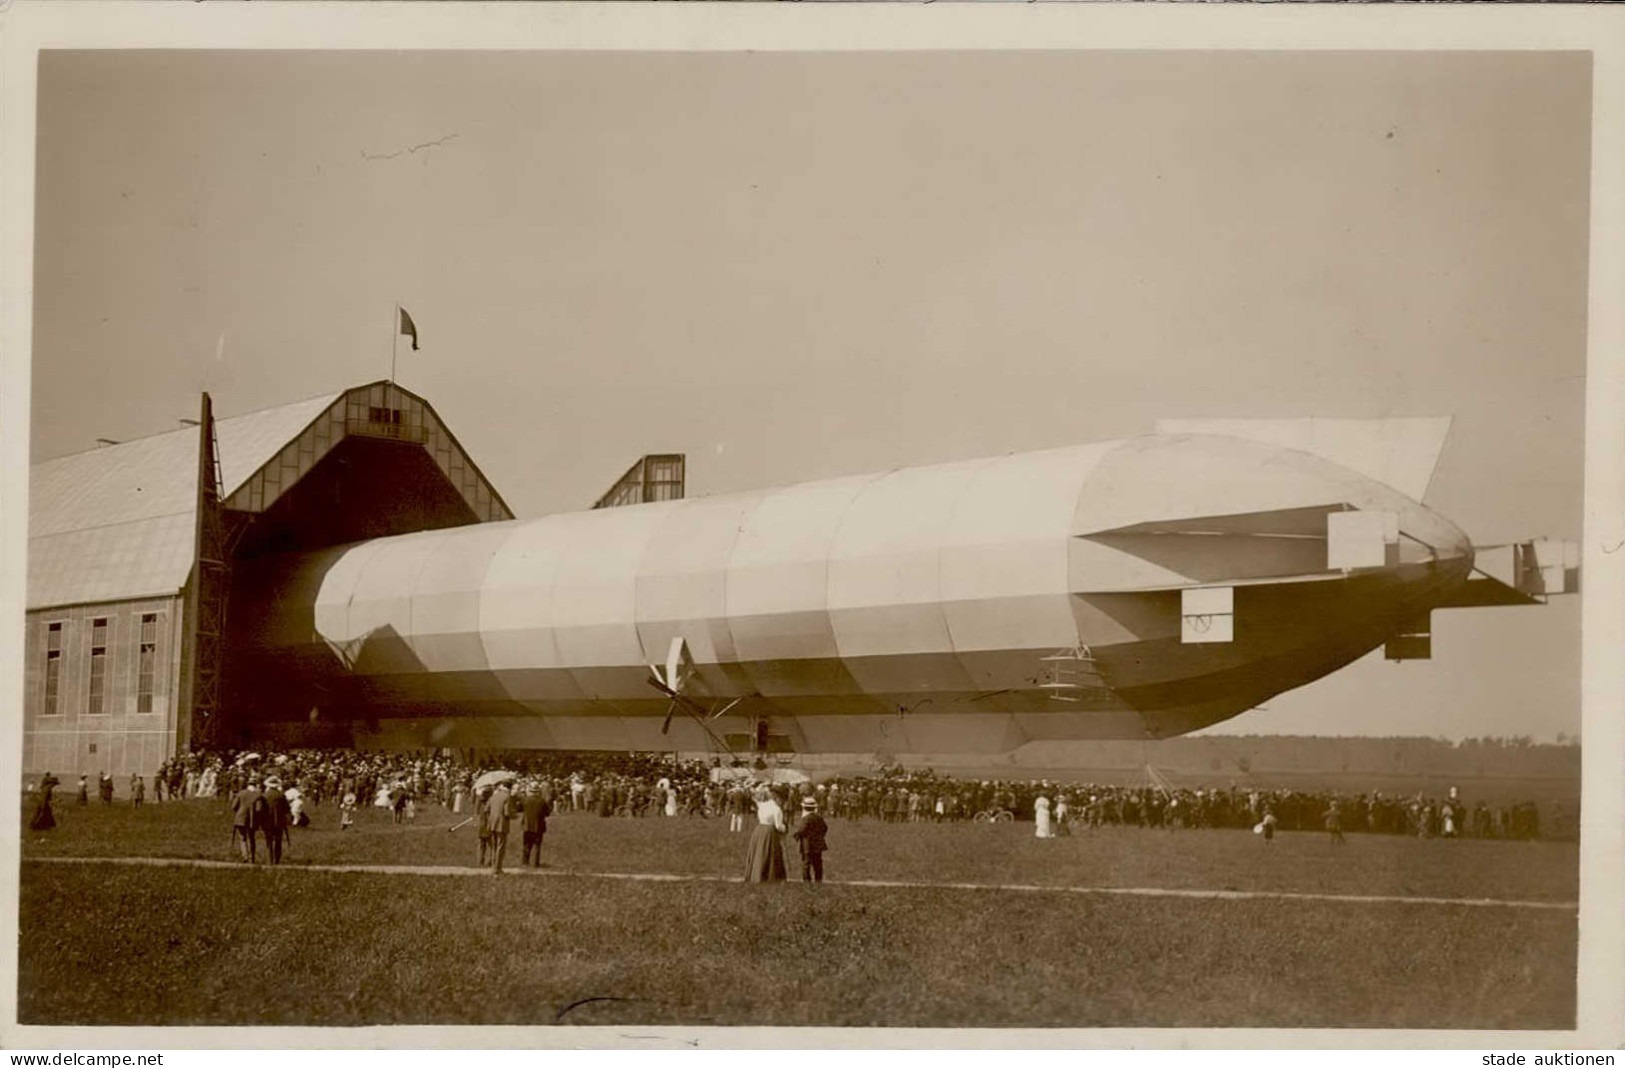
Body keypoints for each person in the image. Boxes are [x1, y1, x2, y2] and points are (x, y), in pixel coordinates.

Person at [745, 785, 788, 883]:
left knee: (759, 852)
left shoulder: (762, 805)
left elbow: (754, 798)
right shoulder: (777, 809)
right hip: (770, 831)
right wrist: (784, 828)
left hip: (759, 830)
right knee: (770, 854)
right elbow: (778, 826)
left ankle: (754, 874)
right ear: (778, 798)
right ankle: (769, 876)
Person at [791, 795, 829, 884]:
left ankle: (807, 881)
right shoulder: (819, 817)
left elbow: (801, 829)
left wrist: (796, 835)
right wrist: (820, 836)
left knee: (806, 862)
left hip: (807, 844)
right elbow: (825, 827)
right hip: (818, 844)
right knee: (818, 863)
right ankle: (818, 880)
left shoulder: (805, 818)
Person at [231, 777, 265, 863]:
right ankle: (251, 857)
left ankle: (245, 856)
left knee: (242, 838)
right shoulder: (258, 795)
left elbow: (234, 806)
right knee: (251, 838)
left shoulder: (241, 793)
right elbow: (259, 809)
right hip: (252, 819)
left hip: (240, 817)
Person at [262, 777, 291, 865]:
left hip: (268, 821)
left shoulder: (265, 796)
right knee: (278, 841)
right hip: (279, 821)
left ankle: (269, 860)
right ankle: (276, 860)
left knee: (269, 841)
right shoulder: (281, 795)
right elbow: (287, 809)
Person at [488, 781, 514, 875]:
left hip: (492, 823)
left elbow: (487, 809)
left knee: (494, 846)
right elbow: (507, 813)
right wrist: (514, 815)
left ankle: (493, 866)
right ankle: (497, 868)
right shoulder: (507, 797)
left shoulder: (494, 796)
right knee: (500, 846)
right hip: (502, 824)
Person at [521, 786, 551, 868]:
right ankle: (535, 863)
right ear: (538, 792)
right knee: (537, 845)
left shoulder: (525, 800)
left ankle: (525, 862)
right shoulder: (542, 801)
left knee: (526, 844)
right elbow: (547, 813)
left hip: (527, 825)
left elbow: (519, 808)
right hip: (538, 826)